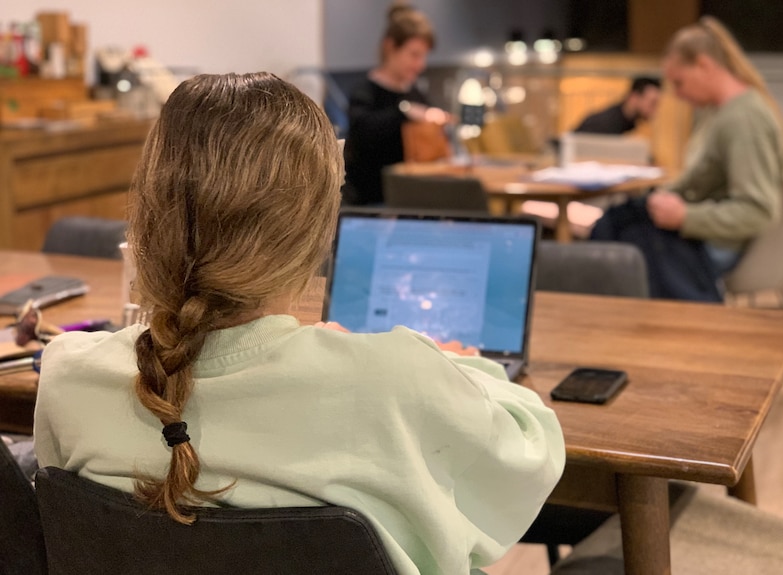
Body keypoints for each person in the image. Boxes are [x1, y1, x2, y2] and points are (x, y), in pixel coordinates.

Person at [33, 72, 565, 575]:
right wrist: (446, 359)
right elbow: (533, 450)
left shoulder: (66, 377)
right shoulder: (397, 380)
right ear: (317, 230)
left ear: (147, 212)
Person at [590, 17, 783, 301]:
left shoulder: (743, 119)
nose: (679, 95)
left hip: (717, 247)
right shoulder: (723, 113)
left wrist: (685, 217)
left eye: (679, 83)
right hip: (707, 235)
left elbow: (758, 211)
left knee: (619, 242)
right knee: (617, 223)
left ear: (704, 65)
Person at [342, 2, 449, 206]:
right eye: (414, 55)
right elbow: (362, 132)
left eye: (423, 56)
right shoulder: (365, 91)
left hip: (412, 197)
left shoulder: (414, 91)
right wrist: (404, 112)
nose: (421, 64)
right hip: (372, 201)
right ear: (391, 47)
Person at [573, 76, 662, 135]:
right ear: (634, 97)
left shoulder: (623, 122)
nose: (655, 111)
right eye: (653, 103)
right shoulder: (605, 123)